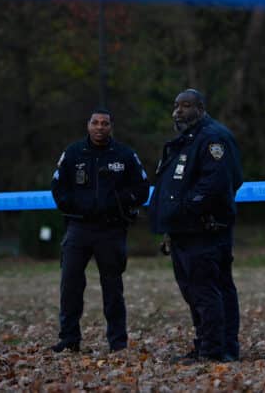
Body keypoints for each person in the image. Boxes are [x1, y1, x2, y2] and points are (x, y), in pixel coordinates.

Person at [148, 88, 243, 363]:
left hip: (205, 229)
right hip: (185, 230)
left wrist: (187, 209)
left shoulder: (213, 138)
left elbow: (217, 183)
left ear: (200, 108)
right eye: (176, 106)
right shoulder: (186, 140)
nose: (178, 111)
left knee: (206, 289)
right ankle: (212, 344)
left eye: (186, 106)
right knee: (199, 289)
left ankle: (214, 349)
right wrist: (171, 224)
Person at [49, 108, 149, 353]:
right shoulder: (73, 153)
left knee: (113, 288)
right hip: (78, 228)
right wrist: (77, 206)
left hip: (111, 229)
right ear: (88, 125)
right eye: (95, 123)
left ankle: (118, 343)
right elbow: (57, 187)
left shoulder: (125, 155)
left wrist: (118, 202)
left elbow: (142, 188)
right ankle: (69, 339)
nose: (100, 127)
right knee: (70, 284)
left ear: (111, 126)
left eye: (105, 123)